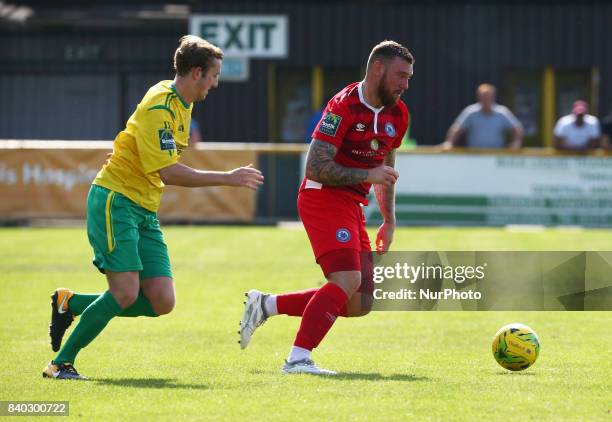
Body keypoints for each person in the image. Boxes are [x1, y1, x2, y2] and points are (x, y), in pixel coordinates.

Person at [43, 35, 264, 380]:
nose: (216, 83)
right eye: (214, 75)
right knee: (126, 292)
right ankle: (60, 364)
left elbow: (146, 147)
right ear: (196, 73)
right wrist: (228, 177)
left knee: (162, 300)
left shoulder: (183, 102)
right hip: (116, 201)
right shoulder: (160, 104)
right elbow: (169, 171)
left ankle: (69, 303)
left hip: (143, 207)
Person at [239, 40, 413, 375]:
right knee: (346, 277)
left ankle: (266, 304)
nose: (405, 84)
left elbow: (385, 172)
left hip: (351, 203)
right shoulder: (343, 106)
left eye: (408, 77)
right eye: (400, 76)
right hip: (322, 196)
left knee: (359, 302)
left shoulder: (398, 114)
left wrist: (389, 220)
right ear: (377, 69)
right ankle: (298, 359)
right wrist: (368, 173)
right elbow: (315, 168)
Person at [442, 84, 523, 149]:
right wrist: (449, 142)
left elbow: (517, 128)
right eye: (483, 96)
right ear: (478, 97)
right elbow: (457, 128)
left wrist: (516, 143)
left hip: (496, 155)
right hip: (475, 155)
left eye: (488, 96)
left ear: (493, 97)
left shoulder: (502, 112)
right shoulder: (470, 111)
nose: (486, 99)